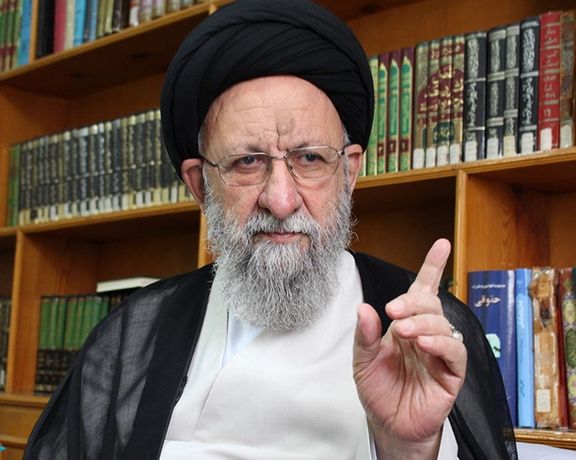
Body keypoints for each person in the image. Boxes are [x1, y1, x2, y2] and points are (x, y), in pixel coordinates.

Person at [25, 0, 517, 459]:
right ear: (199, 185)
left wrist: (409, 448)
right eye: (247, 162)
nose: (281, 201)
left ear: (349, 172)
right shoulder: (134, 336)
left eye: (310, 158)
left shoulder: (431, 331)